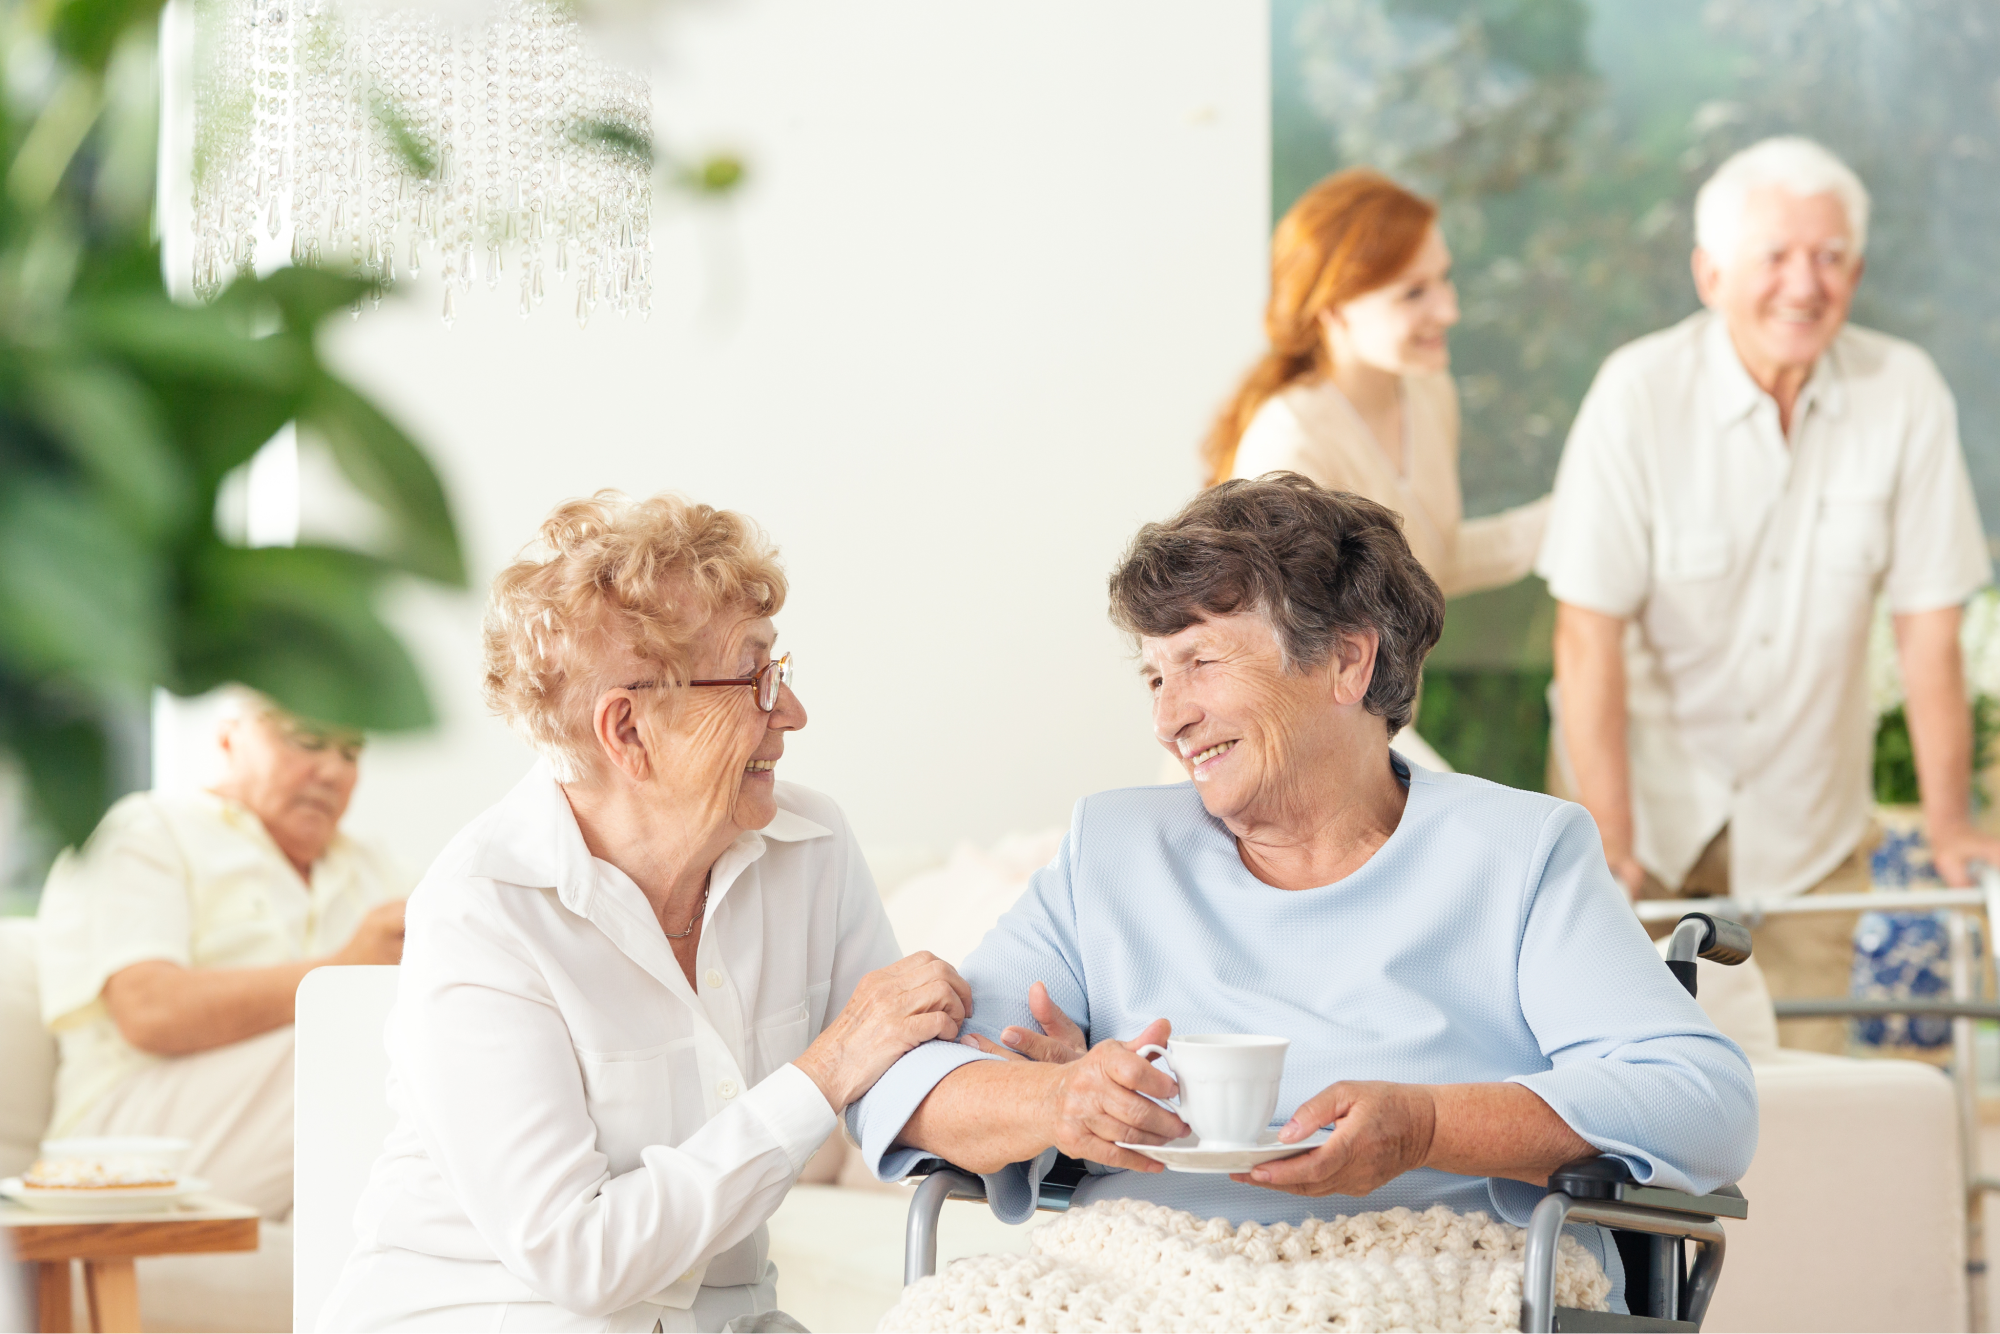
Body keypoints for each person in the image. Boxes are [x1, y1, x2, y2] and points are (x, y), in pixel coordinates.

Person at [846, 475, 1756, 1303]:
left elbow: (1700, 1100)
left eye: (1201, 664)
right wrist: (1057, 1103)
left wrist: (1430, 1125)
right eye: (1155, 677)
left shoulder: (1518, 853)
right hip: (1143, 1271)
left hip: (1431, 1264)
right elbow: (906, 1084)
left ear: (1347, 664)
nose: (1169, 718)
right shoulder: (1113, 851)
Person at [317, 492, 971, 1334]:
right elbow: (581, 1258)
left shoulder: (811, 845)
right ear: (628, 729)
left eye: (783, 670)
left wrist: (1045, 1079)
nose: (792, 713)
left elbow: (899, 1068)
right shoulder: (483, 910)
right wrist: (826, 1066)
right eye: (755, 678)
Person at [1535, 136, 1999, 1053]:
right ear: (1710, 274)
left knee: (1805, 1108)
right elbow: (1586, 638)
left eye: (1829, 258)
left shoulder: (1901, 392)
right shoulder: (1638, 395)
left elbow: (1930, 629)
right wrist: (1610, 845)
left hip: (1808, 828)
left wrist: (1952, 827)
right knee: (1640, 1097)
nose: (1804, 284)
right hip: (1645, 807)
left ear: (1857, 272)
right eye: (1775, 256)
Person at [36, 690, 409, 1219]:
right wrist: (341, 968)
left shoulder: (372, 866)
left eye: (351, 753)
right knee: (372, 1032)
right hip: (130, 1135)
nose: (331, 770)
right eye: (307, 740)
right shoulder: (146, 829)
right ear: (230, 736)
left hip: (286, 1143)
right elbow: (149, 1010)